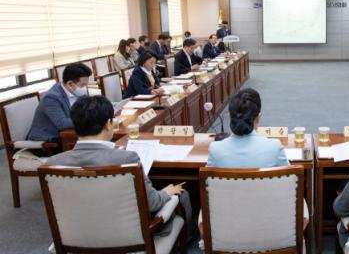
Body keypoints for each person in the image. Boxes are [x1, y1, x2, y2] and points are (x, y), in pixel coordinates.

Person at [46, 95, 191, 231]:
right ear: (108, 124)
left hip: (75, 235)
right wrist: (165, 192)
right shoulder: (126, 159)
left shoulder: (53, 163)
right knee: (181, 194)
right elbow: (152, 203)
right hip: (127, 234)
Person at [202, 88, 308, 239]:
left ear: (229, 117)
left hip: (228, 231)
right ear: (259, 117)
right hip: (270, 228)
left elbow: (208, 189)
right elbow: (291, 185)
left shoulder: (215, 149)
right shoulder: (274, 147)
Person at [27, 63, 93, 143]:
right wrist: (90, 118)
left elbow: (89, 109)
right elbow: (63, 124)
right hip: (48, 142)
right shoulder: (51, 98)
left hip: (70, 135)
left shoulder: (77, 91)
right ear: (70, 84)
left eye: (86, 85)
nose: (85, 88)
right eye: (83, 85)